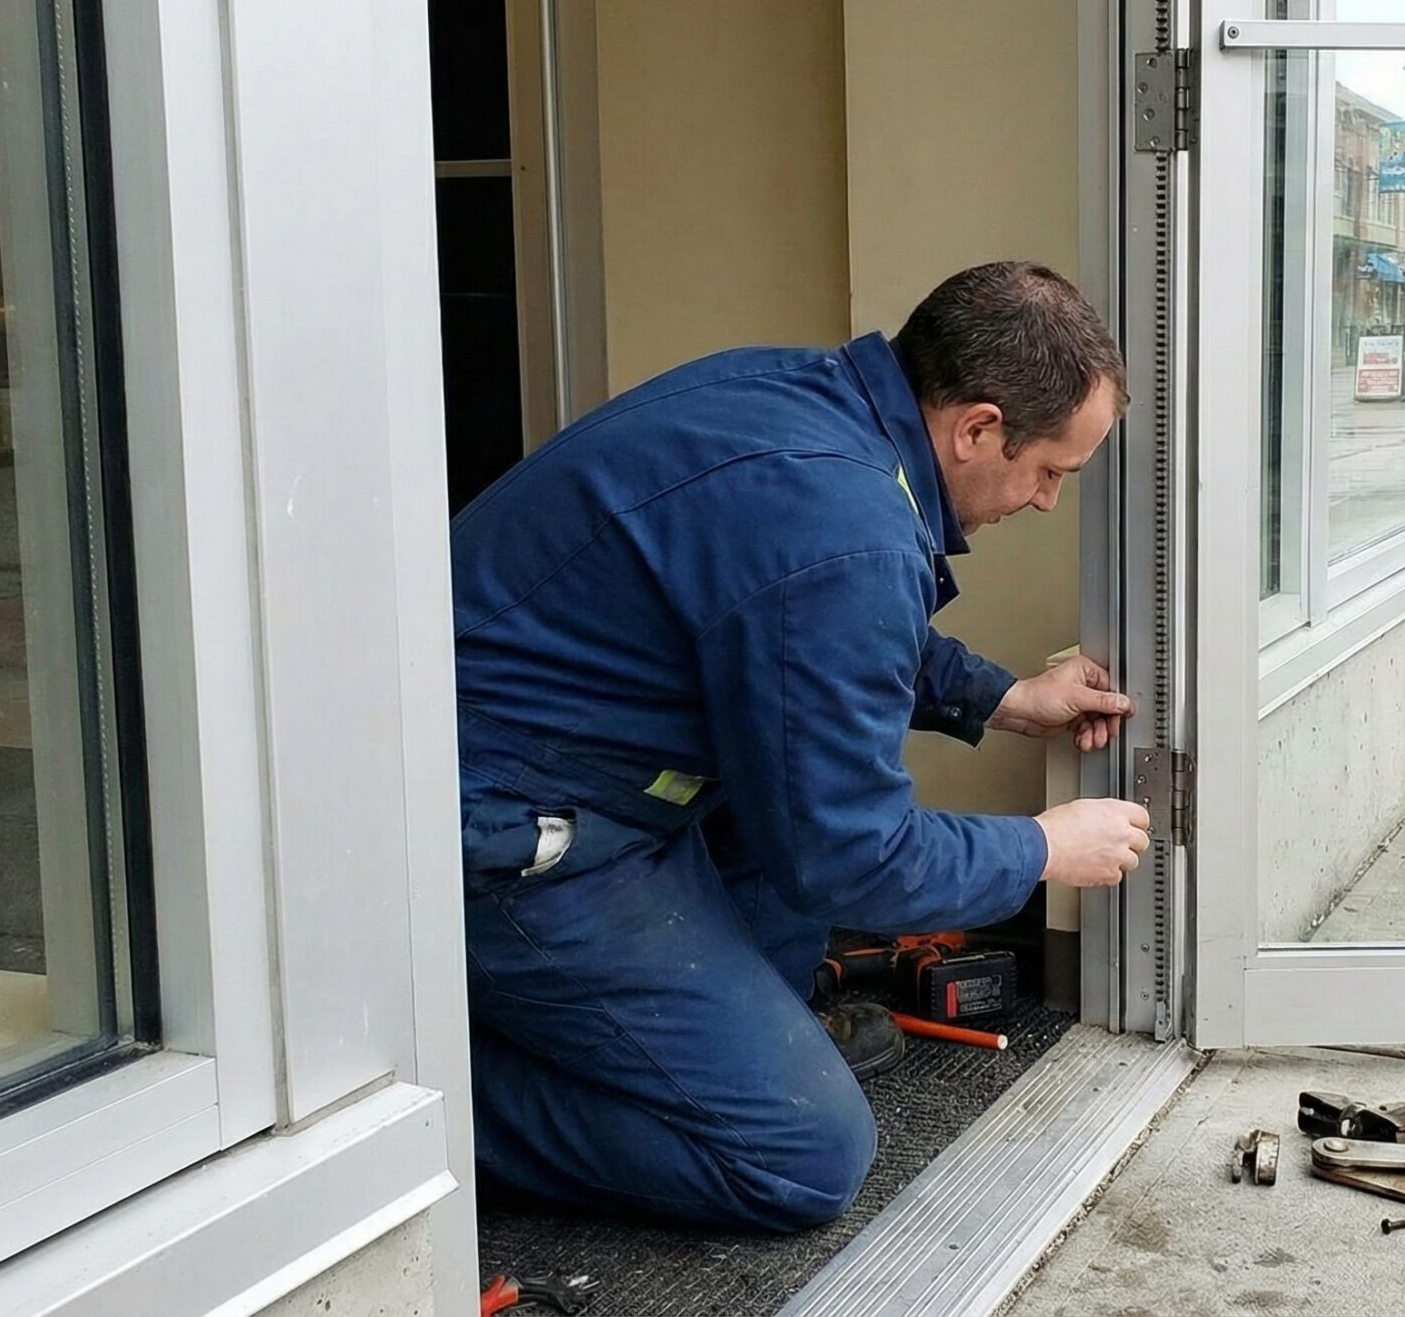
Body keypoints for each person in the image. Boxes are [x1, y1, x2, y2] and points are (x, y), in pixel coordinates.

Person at [449, 262, 1151, 1231]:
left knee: (773, 872)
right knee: (800, 1152)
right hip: (507, 829)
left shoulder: (811, 405)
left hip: (565, 760)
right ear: (978, 427)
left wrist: (1004, 696)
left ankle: (670, 1047)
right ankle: (424, 1107)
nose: (1044, 502)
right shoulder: (845, 529)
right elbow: (853, 853)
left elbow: (800, 635)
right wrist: (1041, 849)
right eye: (1051, 473)